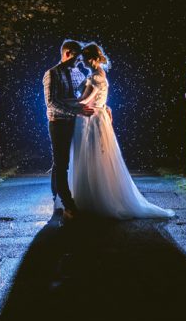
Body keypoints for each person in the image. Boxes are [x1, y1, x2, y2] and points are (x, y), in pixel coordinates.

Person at [68, 42, 175, 219]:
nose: (83, 63)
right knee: (93, 158)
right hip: (95, 117)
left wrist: (64, 106)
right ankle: (89, 197)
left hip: (91, 120)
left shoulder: (96, 77)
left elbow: (85, 102)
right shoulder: (96, 75)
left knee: (92, 158)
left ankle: (95, 200)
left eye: (86, 60)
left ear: (94, 59)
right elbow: (97, 99)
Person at [42, 39, 94, 221]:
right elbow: (51, 103)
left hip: (75, 122)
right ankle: (67, 204)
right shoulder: (51, 74)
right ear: (66, 54)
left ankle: (58, 198)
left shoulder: (77, 73)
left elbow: (83, 97)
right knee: (61, 163)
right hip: (58, 123)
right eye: (76, 58)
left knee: (62, 163)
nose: (78, 62)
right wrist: (75, 110)